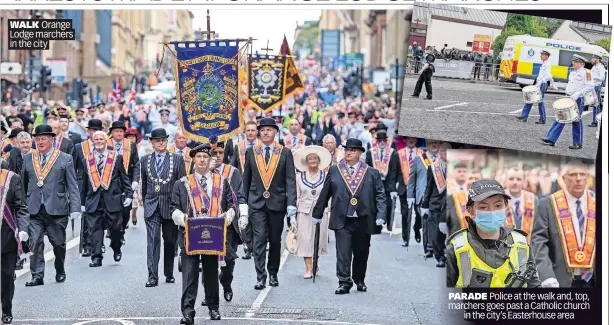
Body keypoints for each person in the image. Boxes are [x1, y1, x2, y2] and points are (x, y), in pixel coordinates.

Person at [170, 143, 241, 323]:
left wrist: (226, 218)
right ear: (194, 160)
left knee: (210, 273)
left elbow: (231, 205)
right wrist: (184, 219)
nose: (202, 160)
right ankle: (187, 312)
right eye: (199, 157)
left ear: (211, 161)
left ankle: (213, 308)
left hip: (214, 235)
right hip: (189, 235)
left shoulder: (222, 182)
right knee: (189, 274)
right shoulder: (182, 183)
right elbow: (174, 208)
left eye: (205, 157)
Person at [312, 138, 386, 294]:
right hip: (342, 218)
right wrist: (317, 213)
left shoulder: (371, 172)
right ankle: (344, 281)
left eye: (352, 150)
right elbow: (325, 193)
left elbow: (380, 195)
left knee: (361, 252)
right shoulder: (334, 170)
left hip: (364, 218)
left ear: (359, 153)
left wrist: (381, 214)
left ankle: (359, 279)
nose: (349, 153)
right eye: (347, 150)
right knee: (343, 252)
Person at [445, 179, 541, 288]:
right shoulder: (456, 248)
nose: (491, 212)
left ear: (505, 206)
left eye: (498, 206)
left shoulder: (521, 244)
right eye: (483, 207)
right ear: (470, 211)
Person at [22, 124, 81, 286]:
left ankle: (60, 269)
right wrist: (20, 208)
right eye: (38, 139)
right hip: (34, 209)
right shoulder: (28, 158)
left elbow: (72, 185)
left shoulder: (64, 158)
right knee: (35, 242)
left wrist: (75, 208)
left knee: (58, 244)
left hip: (57, 209)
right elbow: (23, 185)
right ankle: (37, 275)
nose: (40, 142)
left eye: (44, 139)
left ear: (51, 140)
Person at [242, 117, 297, 290]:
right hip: (256, 203)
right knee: (258, 240)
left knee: (274, 240)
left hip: (277, 203)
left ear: (275, 132)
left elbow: (290, 180)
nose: (265, 132)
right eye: (263, 130)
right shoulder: (252, 152)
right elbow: (246, 179)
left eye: (269, 130)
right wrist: (243, 204)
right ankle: (260, 276)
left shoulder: (284, 152)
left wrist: (291, 205)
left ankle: (273, 272)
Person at [531, 160, 595, 288]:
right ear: (564, 178)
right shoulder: (548, 204)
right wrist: (546, 276)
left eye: (582, 174)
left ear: (587, 178)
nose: (578, 179)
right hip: (559, 279)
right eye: (573, 175)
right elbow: (539, 242)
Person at [140, 128, 187, 287]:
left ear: (167, 142)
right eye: (157, 140)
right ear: (152, 143)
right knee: (152, 240)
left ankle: (169, 272)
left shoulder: (177, 159)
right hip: (152, 205)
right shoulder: (145, 160)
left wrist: (180, 208)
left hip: (170, 205)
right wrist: (146, 203)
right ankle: (152, 275)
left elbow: (181, 184)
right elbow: (145, 186)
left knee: (170, 241)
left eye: (164, 140)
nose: (161, 143)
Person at [80, 131, 133, 267]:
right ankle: (96, 257)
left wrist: (129, 194)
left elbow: (124, 178)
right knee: (94, 229)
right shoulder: (86, 160)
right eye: (96, 139)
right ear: (92, 141)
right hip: (93, 201)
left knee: (116, 229)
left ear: (106, 141)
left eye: (101, 139)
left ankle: (116, 247)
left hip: (113, 200)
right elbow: (84, 183)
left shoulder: (116, 158)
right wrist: (81, 203)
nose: (98, 141)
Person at [208, 141, 247, 304]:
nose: (217, 156)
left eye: (220, 153)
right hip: (208, 222)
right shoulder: (202, 172)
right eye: (214, 153)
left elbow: (240, 193)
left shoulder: (233, 172)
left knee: (228, 261)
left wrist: (243, 213)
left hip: (228, 221)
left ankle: (226, 284)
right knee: (208, 260)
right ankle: (209, 293)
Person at [293, 145, 332, 278]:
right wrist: (295, 213)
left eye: (315, 158)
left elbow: (329, 195)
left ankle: (315, 264)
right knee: (305, 239)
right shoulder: (298, 177)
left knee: (318, 239)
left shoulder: (327, 175)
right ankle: (309, 268)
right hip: (304, 211)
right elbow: (296, 196)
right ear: (306, 161)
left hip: (321, 212)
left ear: (319, 160)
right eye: (310, 159)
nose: (313, 160)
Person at [542, 54, 593, 150]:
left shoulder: (586, 73)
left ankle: (578, 143)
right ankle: (551, 139)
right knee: (561, 117)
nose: (573, 63)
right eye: (573, 61)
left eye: (575, 61)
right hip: (568, 97)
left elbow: (590, 86)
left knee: (576, 120)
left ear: (581, 63)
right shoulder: (572, 72)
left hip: (578, 99)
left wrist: (578, 93)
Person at [0, 165, 29, 324]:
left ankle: (6, 309)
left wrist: (23, 229)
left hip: (5, 236)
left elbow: (21, 207)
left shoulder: (12, 178)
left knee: (5, 275)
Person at [73, 119, 105, 257]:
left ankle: (99, 243)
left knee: (101, 216)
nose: (93, 133)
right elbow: (73, 169)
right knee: (86, 216)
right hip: (85, 186)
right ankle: (87, 245)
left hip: (103, 185)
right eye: (91, 130)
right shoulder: (80, 147)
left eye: (96, 130)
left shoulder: (106, 146)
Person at [107, 121, 140, 243]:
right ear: (112, 132)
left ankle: (121, 231)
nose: (119, 133)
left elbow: (136, 164)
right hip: (110, 181)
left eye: (121, 131)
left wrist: (136, 180)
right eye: (116, 131)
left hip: (128, 180)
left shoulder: (130, 145)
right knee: (112, 209)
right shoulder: (106, 144)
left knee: (126, 209)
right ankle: (113, 232)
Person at [230, 120, 259, 260]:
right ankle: (248, 246)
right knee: (244, 215)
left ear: (257, 132)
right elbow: (233, 166)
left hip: (259, 187)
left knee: (257, 217)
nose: (251, 133)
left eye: (253, 130)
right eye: (248, 130)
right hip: (243, 186)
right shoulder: (239, 147)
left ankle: (258, 244)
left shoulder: (261, 146)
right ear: (245, 132)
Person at [408, 139, 441, 257]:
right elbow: (412, 179)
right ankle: (428, 246)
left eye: (436, 142)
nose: (433, 145)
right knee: (426, 222)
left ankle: (436, 245)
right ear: (427, 145)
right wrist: (410, 196)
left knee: (436, 222)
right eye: (431, 143)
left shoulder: (443, 159)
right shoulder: (419, 159)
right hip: (422, 195)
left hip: (437, 195)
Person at [422, 142, 450, 268]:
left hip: (450, 205)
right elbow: (429, 187)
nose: (445, 155)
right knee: (434, 235)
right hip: (435, 204)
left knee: (448, 233)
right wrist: (425, 205)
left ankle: (447, 256)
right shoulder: (433, 167)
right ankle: (440, 256)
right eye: (443, 152)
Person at [365, 130, 399, 231]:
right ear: (377, 141)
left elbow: (394, 171)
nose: (382, 142)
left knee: (388, 204)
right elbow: (368, 169)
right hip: (375, 183)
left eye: (384, 140)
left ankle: (388, 223)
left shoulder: (393, 153)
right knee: (375, 204)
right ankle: (377, 224)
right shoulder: (370, 152)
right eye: (380, 140)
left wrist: (393, 188)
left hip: (388, 183)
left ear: (387, 140)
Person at [517, 50, 555, 124]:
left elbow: (548, 76)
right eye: (541, 54)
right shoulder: (544, 63)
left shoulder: (547, 64)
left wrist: (541, 82)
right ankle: (524, 116)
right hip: (539, 83)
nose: (540, 56)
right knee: (530, 98)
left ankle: (542, 119)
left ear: (546, 56)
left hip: (542, 84)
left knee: (540, 101)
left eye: (542, 55)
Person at [397, 136, 422, 247]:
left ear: (416, 140)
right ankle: (405, 238)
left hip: (418, 189)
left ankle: (417, 228)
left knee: (419, 213)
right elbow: (394, 171)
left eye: (413, 138)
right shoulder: (398, 154)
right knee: (405, 215)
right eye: (409, 138)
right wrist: (393, 188)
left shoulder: (422, 153)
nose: (411, 140)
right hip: (404, 188)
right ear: (405, 140)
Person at [503, 168, 538, 239]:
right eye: (511, 179)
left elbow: (538, 229)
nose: (515, 182)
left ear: (524, 182)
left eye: (519, 179)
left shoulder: (534, 200)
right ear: (506, 180)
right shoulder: (498, 199)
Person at [446, 169, 482, 235]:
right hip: (459, 240)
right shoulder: (453, 198)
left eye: (476, 179)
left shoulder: (488, 200)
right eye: (470, 178)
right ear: (465, 181)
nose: (473, 181)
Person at [589, 54, 606, 128]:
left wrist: (593, 77)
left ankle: (596, 121)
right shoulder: (594, 66)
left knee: (596, 104)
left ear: (597, 59)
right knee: (595, 103)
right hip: (592, 85)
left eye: (593, 58)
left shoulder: (600, 67)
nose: (592, 60)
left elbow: (602, 78)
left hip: (597, 86)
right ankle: (596, 121)